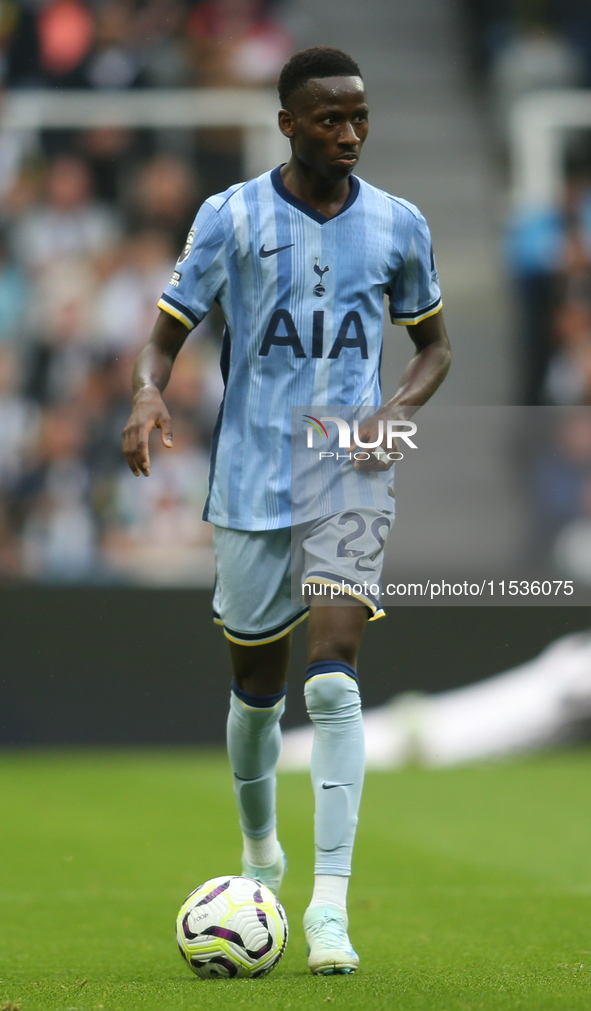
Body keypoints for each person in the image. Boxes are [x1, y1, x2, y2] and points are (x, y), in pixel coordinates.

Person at [122, 46, 451, 975]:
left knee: (334, 674)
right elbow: (162, 337)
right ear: (288, 124)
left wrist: (393, 414)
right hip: (249, 477)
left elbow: (434, 347)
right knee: (257, 693)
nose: (347, 133)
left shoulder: (398, 224)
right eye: (328, 118)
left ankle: (330, 909)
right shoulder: (229, 218)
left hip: (345, 472)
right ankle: (260, 848)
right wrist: (148, 394)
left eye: (358, 117)